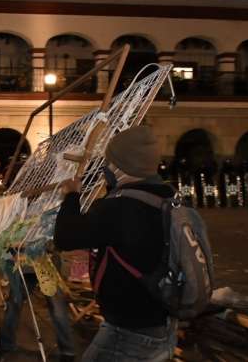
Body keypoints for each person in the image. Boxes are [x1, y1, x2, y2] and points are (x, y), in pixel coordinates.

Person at [54, 126, 178, 361]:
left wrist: (71, 195)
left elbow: (65, 237)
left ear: (122, 166)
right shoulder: (168, 197)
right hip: (163, 324)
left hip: (129, 332)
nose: (106, 168)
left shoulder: (118, 206)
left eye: (110, 163)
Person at [0, 254, 76, 361]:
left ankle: (68, 351)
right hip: (25, 268)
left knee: (57, 309)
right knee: (13, 304)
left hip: (47, 264)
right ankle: (5, 345)